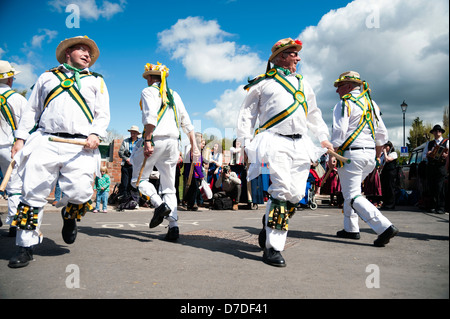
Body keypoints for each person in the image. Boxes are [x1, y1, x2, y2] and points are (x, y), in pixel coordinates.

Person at [9, 36, 110, 268]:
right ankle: (25, 247)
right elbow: (31, 110)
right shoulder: (46, 77)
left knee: (82, 193)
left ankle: (70, 215)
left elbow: (103, 114)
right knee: (32, 193)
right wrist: (20, 138)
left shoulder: (97, 81)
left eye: (89, 52)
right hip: (46, 141)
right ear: (68, 53)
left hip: (81, 145)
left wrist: (96, 134)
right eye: (82, 50)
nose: (87, 55)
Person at [237, 38, 333, 267]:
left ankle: (269, 222)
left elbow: (314, 114)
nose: (298, 58)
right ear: (281, 57)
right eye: (293, 54)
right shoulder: (262, 84)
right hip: (275, 141)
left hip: (301, 144)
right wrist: (244, 144)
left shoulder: (303, 84)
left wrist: (324, 138)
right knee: (280, 191)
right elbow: (246, 115)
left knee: (296, 194)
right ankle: (273, 248)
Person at [130, 62, 199, 241]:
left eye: (147, 78)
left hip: (156, 139)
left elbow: (150, 117)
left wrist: (147, 139)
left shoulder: (149, 92)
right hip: (173, 143)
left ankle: (159, 205)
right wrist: (195, 145)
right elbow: (186, 122)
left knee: (138, 180)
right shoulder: (174, 95)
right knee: (169, 186)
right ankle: (173, 226)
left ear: (151, 78)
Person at [331, 71, 398, 247]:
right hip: (369, 155)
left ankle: (384, 227)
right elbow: (382, 133)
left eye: (339, 87)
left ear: (347, 86)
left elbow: (339, 131)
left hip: (350, 155)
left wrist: (333, 153)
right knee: (350, 191)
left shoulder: (343, 103)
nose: (337, 91)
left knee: (352, 195)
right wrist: (376, 157)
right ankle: (351, 228)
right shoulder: (371, 103)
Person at [0, 60, 27, 237]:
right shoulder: (17, 99)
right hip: (9, 146)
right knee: (15, 186)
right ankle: (14, 223)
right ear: (10, 79)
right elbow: (29, 125)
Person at [422, 124, 448, 214]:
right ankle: (432, 206)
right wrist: (428, 154)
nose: (438, 132)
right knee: (431, 187)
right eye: (436, 131)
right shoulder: (429, 143)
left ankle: (441, 207)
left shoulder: (446, 142)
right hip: (431, 167)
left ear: (441, 133)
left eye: (439, 131)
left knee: (440, 187)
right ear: (433, 132)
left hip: (440, 167)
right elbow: (423, 156)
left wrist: (446, 155)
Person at [118, 125, 140, 200]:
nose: (132, 134)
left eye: (134, 133)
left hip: (136, 166)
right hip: (126, 165)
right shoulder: (125, 141)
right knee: (125, 183)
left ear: (137, 133)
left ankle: (134, 201)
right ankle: (124, 200)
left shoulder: (140, 142)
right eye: (131, 132)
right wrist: (127, 159)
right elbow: (120, 152)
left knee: (134, 184)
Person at [380, 141, 398, 210]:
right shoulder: (383, 155)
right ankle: (385, 203)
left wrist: (384, 152)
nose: (385, 148)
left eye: (386, 146)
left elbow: (387, 159)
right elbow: (381, 164)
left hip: (391, 172)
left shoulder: (393, 153)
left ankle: (391, 204)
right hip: (384, 172)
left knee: (390, 187)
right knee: (385, 188)